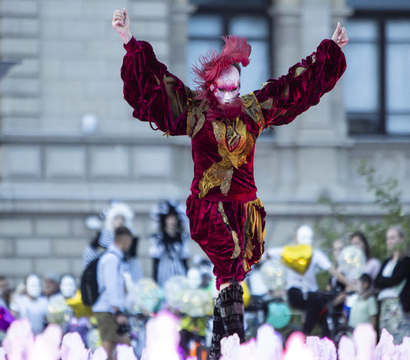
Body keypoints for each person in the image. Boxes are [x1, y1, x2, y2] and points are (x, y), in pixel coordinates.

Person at [113, 8, 347, 357]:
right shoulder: (195, 112)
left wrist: (328, 49)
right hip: (209, 206)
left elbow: (292, 89)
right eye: (222, 89)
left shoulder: (253, 110)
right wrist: (130, 41)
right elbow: (157, 86)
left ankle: (221, 347)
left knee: (232, 277)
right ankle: (236, 342)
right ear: (211, 86)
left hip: (245, 208)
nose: (228, 95)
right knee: (231, 261)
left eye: (234, 88)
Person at [267, 225, 354, 337]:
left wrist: (349, 285)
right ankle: (304, 335)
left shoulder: (315, 254)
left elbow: (333, 271)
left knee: (325, 316)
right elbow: (267, 253)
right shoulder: (288, 252)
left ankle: (327, 340)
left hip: (311, 294)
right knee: (315, 302)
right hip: (296, 293)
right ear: (296, 238)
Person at [92, 226, 133, 360]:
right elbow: (111, 286)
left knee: (121, 344)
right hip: (107, 309)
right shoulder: (112, 259)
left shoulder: (113, 257)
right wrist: (117, 311)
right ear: (125, 240)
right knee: (108, 344)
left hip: (109, 309)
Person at [374, 225, 410, 344]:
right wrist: (387, 281)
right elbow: (377, 281)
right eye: (388, 238)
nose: (389, 241)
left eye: (392, 238)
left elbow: (396, 279)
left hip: (399, 305)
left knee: (399, 341)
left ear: (401, 239)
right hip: (385, 305)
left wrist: (384, 281)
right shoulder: (387, 261)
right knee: (386, 342)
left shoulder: (407, 261)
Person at [149, 200, 191, 288]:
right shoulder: (158, 238)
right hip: (163, 274)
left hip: (179, 274)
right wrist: (155, 281)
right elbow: (155, 261)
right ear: (164, 220)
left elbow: (185, 260)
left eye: (174, 218)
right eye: (169, 218)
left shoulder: (182, 238)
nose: (172, 221)